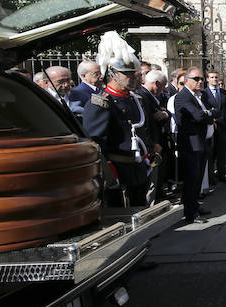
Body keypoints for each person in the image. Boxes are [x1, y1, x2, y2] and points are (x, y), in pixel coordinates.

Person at [83, 32, 149, 207]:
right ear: (113, 74)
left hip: (138, 167)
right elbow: (96, 141)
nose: (134, 77)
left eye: (134, 73)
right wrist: (109, 171)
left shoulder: (135, 98)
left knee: (141, 207)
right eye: (128, 73)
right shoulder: (101, 102)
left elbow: (142, 130)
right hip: (119, 169)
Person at [174, 67, 216, 223]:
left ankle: (195, 205)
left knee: (198, 179)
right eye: (196, 79)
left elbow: (215, 113)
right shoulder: (183, 97)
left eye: (201, 79)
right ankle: (190, 213)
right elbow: (199, 116)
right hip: (191, 144)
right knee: (191, 180)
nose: (200, 81)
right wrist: (208, 114)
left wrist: (208, 114)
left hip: (202, 142)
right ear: (186, 80)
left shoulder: (201, 96)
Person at [136, 68, 170, 204]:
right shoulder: (142, 96)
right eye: (162, 86)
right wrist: (152, 144)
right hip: (151, 145)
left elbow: (162, 112)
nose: (163, 90)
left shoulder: (153, 96)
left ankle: (157, 199)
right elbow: (147, 123)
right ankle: (150, 206)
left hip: (157, 143)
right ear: (156, 83)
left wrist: (165, 114)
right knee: (151, 179)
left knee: (156, 178)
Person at [203, 70, 226, 184]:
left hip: (223, 127)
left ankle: (222, 174)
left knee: (221, 152)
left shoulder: (225, 93)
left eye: (216, 77)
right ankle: (210, 177)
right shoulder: (204, 93)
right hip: (211, 126)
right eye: (212, 77)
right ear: (208, 79)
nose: (214, 79)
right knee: (210, 153)